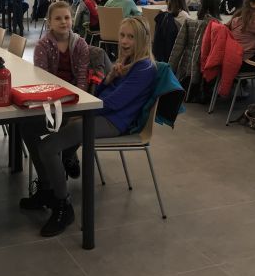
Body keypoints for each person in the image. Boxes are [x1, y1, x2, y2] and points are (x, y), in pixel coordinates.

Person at [20, 16, 156, 236]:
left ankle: (63, 205)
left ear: (142, 40)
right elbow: (100, 94)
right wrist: (109, 78)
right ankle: (46, 188)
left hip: (113, 122)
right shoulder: (127, 63)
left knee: (48, 147)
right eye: (122, 35)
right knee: (28, 127)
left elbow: (113, 104)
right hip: (97, 112)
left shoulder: (144, 68)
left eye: (131, 37)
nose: (124, 41)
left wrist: (82, 113)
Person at [28, 1, 90, 178]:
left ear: (72, 20)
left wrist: (77, 105)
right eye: (58, 18)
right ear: (49, 22)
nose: (63, 22)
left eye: (67, 17)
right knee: (27, 127)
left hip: (74, 98)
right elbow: (43, 80)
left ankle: (68, 153)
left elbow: (82, 78)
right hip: (52, 100)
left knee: (80, 122)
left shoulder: (80, 44)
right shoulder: (42, 46)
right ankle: (47, 174)